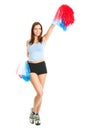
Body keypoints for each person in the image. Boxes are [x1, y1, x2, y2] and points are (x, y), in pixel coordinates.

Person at [26, 22, 55, 125]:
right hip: (32, 67)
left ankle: (36, 114)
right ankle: (33, 111)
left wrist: (54, 22)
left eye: (39, 29)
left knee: (41, 93)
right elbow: (28, 55)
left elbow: (50, 30)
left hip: (42, 66)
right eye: (35, 29)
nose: (38, 31)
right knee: (40, 92)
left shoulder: (43, 40)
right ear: (32, 30)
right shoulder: (28, 42)